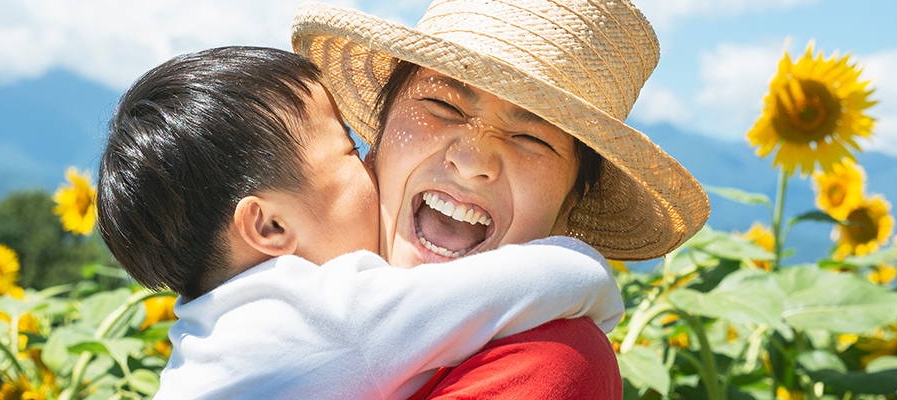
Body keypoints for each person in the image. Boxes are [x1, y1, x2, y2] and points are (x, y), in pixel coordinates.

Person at [95, 46, 624, 399]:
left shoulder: (207, 336)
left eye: (532, 138)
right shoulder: (332, 310)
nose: (472, 160)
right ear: (271, 228)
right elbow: (549, 280)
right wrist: (588, 272)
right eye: (350, 151)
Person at [292, 0, 712, 397]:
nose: (473, 160)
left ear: (569, 210)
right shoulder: (283, 272)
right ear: (375, 144)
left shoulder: (552, 360)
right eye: (442, 105)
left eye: (530, 137)